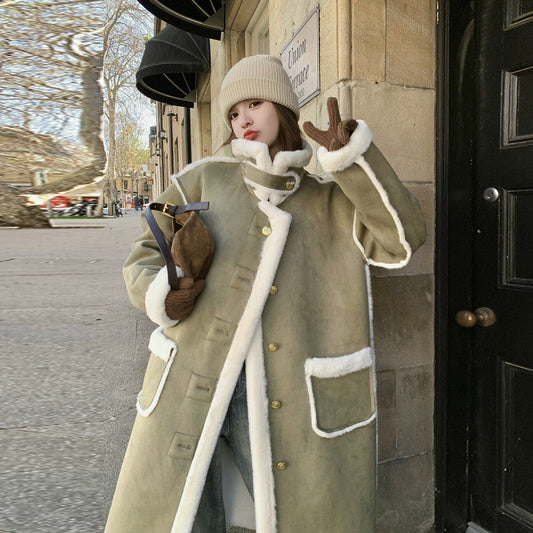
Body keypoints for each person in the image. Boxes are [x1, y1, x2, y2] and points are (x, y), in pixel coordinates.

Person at [106, 55, 426, 533]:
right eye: (235, 112)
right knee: (187, 513)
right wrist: (164, 293)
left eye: (255, 104)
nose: (244, 120)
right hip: (199, 377)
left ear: (282, 107)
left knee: (302, 514)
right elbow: (143, 255)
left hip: (295, 394)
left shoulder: (330, 197)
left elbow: (401, 243)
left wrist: (353, 162)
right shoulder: (201, 179)